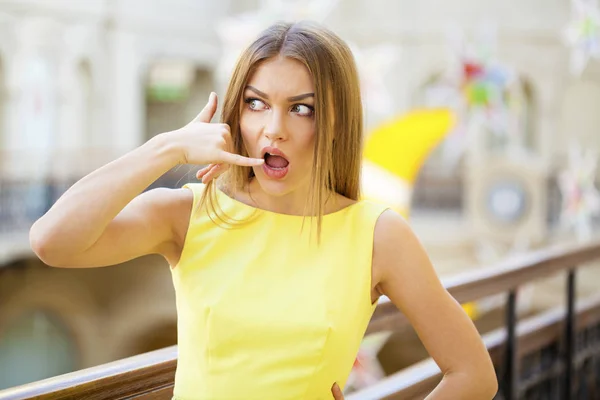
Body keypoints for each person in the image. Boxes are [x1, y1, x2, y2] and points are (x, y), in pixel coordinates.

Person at [29, 21, 498, 400]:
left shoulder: (378, 235)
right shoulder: (186, 215)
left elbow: (473, 375)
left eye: (302, 109)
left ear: (336, 122)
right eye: (256, 104)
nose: (274, 129)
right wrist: (166, 147)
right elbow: (52, 241)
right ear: (236, 113)